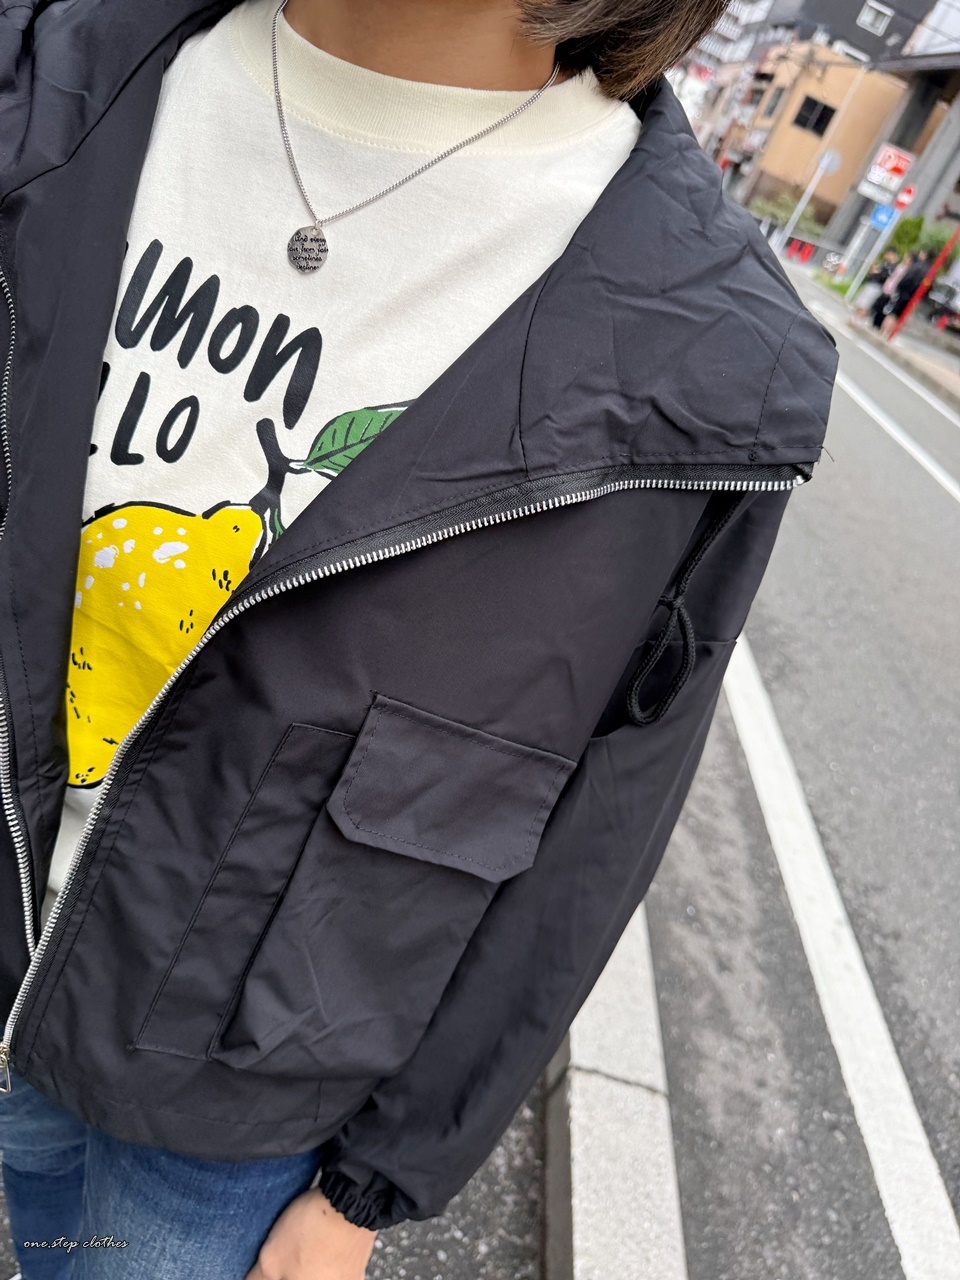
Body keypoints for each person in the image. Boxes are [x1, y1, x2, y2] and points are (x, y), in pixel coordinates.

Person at [0, 1, 837, 1278]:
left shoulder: (709, 360)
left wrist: (369, 1186)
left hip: (226, 1105)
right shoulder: (52, 82)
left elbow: (599, 825)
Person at [881, 249, 931, 337]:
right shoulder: (930, 270)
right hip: (913, 297)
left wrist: (899, 288)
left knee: (893, 313)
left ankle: (884, 330)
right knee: (901, 316)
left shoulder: (916, 266)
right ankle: (890, 332)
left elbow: (907, 279)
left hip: (904, 293)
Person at [850, 248, 898, 326]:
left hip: (877, 286)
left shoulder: (892, 267)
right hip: (871, 283)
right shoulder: (885, 263)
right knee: (860, 302)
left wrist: (877, 272)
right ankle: (853, 319)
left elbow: (885, 277)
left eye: (888, 254)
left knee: (865, 304)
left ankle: (858, 321)